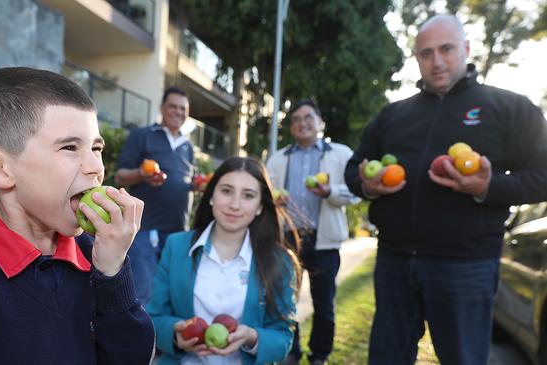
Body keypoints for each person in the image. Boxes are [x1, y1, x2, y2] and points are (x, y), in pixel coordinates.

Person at [0, 67, 155, 364]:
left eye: (96, 148)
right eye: (70, 147)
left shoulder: (97, 257)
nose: (95, 167)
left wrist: (111, 273)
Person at [344, 14, 547, 364]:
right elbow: (353, 169)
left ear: (466, 48)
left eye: (446, 49)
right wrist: (367, 184)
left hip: (466, 266)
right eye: (426, 53)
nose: (436, 61)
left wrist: (488, 186)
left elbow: (543, 175)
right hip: (394, 261)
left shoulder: (509, 108)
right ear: (417, 58)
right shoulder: (394, 115)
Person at [146, 157, 302, 364]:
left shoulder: (280, 261)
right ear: (211, 196)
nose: (234, 205)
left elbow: (283, 336)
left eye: (248, 195)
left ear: (259, 207)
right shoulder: (176, 246)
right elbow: (154, 318)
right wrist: (175, 335)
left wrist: (253, 338)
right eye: (226, 191)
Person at [266, 99, 360, 365]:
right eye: (296, 119)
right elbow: (265, 193)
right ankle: (291, 352)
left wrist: (329, 192)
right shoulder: (279, 158)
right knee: (286, 300)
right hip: (287, 239)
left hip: (324, 242)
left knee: (324, 303)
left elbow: (355, 193)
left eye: (308, 117)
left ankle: (319, 355)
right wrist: (273, 199)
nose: (302, 123)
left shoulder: (340, 154)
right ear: (291, 127)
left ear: (320, 122)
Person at [115, 86, 194, 304]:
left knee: (169, 293)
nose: (178, 112)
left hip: (177, 233)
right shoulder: (143, 135)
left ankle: (162, 336)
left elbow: (183, 183)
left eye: (183, 108)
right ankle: (141, 338)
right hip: (145, 228)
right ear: (162, 108)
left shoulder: (188, 145)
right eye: (173, 106)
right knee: (143, 293)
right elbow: (121, 176)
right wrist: (141, 174)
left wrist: (195, 185)